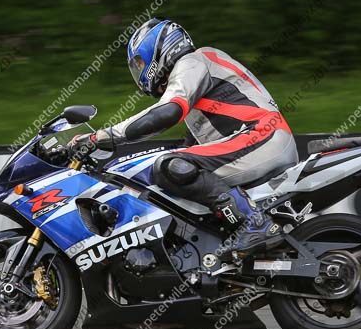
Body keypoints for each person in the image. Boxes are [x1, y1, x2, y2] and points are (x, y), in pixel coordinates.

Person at [64, 18, 298, 253]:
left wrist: (101, 137)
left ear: (159, 49)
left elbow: (166, 113)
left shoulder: (192, 62)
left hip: (261, 136)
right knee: (175, 168)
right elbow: (188, 145)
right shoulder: (197, 77)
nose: (139, 71)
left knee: (169, 165)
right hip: (256, 140)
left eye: (139, 62)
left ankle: (254, 224)